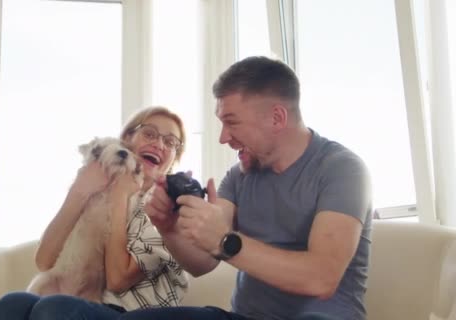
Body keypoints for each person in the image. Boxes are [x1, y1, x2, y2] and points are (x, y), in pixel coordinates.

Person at [120, 56, 373, 320]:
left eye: (232, 122)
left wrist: (226, 241)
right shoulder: (239, 175)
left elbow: (321, 278)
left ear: (276, 118)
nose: (223, 137)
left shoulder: (342, 169)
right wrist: (168, 227)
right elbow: (203, 263)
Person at [0, 106, 189, 320]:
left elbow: (117, 280)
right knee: (12, 303)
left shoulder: (167, 209)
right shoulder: (97, 189)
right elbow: (44, 261)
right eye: (149, 133)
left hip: (132, 314)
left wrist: (120, 195)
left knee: (53, 309)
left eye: (170, 142)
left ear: (174, 158)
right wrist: (79, 191)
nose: (158, 144)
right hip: (80, 301)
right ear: (128, 138)